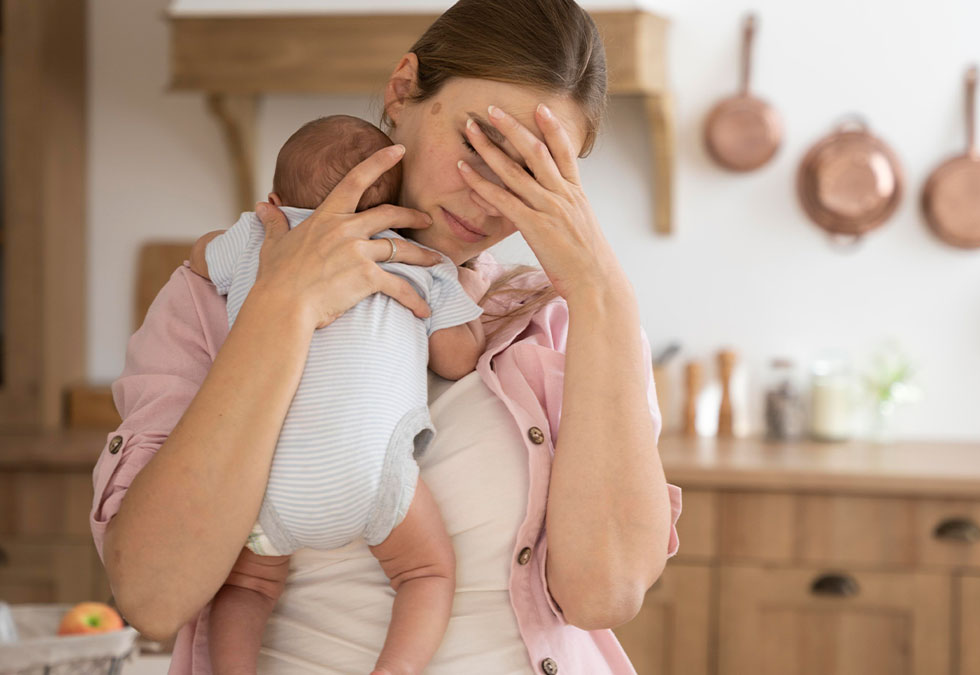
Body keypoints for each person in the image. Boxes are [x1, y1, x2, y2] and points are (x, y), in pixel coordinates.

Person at [89, 0, 682, 672]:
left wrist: (603, 289)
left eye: (530, 173)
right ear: (402, 91)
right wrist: (280, 309)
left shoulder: (568, 321)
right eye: (477, 147)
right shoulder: (215, 299)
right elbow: (153, 596)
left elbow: (603, 593)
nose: (490, 201)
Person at [191, 114, 485, 675]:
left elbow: (199, 260)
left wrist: (237, 234)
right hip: (369, 475)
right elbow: (459, 358)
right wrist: (465, 289)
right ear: (394, 209)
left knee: (249, 585)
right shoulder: (417, 260)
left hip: (263, 477)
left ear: (275, 200)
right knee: (425, 574)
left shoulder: (258, 239)